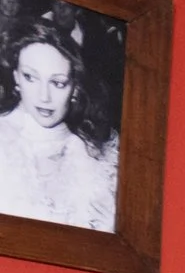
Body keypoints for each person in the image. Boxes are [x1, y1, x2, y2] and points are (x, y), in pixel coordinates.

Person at [0, 21, 118, 233]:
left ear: (75, 88)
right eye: (30, 77)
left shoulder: (98, 157)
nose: (44, 96)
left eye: (58, 83)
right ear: (16, 77)